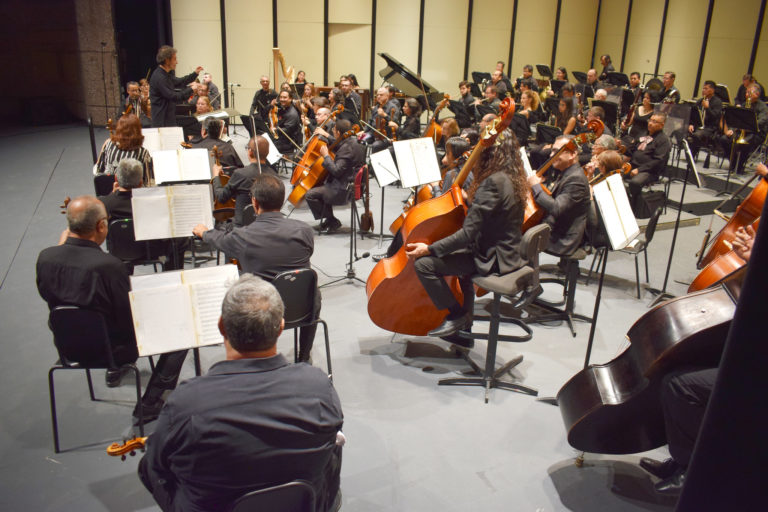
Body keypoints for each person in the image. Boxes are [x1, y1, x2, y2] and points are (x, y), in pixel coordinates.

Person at [138, 274, 343, 512]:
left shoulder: (186, 404)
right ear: (281, 328)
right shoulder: (319, 387)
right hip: (300, 504)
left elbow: (160, 465)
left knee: (147, 467)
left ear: (221, 327)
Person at [36, 196, 188, 420]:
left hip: (68, 347)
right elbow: (128, 315)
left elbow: (47, 293)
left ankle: (115, 372)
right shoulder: (109, 266)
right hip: (113, 350)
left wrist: (60, 249)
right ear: (101, 226)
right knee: (183, 332)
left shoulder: (45, 257)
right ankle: (150, 402)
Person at [406, 128, 528, 341]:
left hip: (491, 258)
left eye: (480, 148)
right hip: (507, 253)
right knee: (458, 259)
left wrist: (429, 249)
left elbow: (467, 235)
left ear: (490, 152)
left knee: (424, 265)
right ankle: (464, 329)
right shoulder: (513, 178)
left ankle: (458, 316)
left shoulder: (492, 182)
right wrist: (472, 201)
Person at [194, 173, 319, 361]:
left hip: (262, 310)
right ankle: (304, 356)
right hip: (301, 308)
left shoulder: (242, 236)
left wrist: (204, 233)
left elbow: (219, 240)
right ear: (281, 200)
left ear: (254, 202)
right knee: (313, 293)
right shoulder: (305, 230)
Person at [98, 158, 187, 271]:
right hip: (150, 251)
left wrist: (112, 194)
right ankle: (172, 274)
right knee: (181, 240)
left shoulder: (104, 203)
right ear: (140, 182)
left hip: (119, 251)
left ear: (116, 179)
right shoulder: (153, 200)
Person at [527, 136, 590, 256]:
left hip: (562, 239)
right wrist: (539, 185)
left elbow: (556, 208)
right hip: (556, 226)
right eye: (552, 151)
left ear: (572, 154)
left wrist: (536, 186)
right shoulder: (567, 172)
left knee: (516, 234)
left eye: (556, 151)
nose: (551, 155)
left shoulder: (576, 178)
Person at [305, 118, 365, 232]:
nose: (333, 131)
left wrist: (326, 156)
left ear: (338, 132)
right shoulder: (353, 142)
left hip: (343, 190)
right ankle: (329, 220)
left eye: (334, 130)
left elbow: (336, 171)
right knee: (321, 186)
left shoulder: (346, 149)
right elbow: (339, 143)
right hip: (350, 183)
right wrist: (327, 135)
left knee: (310, 194)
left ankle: (332, 221)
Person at [209, 135, 276, 227]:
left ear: (250, 152)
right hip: (266, 225)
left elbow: (221, 197)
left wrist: (216, 176)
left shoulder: (240, 174)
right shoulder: (275, 176)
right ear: (267, 153)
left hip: (241, 227)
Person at [625, 112, 672, 211]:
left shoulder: (663, 140)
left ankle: (634, 206)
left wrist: (639, 170)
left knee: (635, 183)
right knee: (613, 174)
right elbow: (632, 149)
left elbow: (657, 161)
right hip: (633, 165)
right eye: (650, 120)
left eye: (654, 122)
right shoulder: (643, 133)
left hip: (649, 171)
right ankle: (624, 200)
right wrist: (623, 149)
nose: (650, 123)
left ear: (662, 125)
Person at [149, 45, 202, 127]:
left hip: (167, 119)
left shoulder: (165, 74)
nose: (177, 62)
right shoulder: (159, 77)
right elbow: (173, 96)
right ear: (167, 60)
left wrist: (195, 74)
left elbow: (180, 81)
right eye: (174, 59)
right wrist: (191, 89)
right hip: (162, 121)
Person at [721, 84, 768, 174]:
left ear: (757, 94)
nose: (747, 95)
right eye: (746, 92)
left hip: (756, 133)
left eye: (749, 93)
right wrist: (731, 129)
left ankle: (738, 167)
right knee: (724, 139)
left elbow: (761, 122)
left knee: (743, 144)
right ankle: (734, 163)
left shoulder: (763, 108)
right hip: (743, 131)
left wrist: (748, 126)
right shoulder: (744, 104)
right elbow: (737, 119)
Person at [95, 113, 154, 184]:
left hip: (109, 187)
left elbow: (98, 171)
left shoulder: (108, 144)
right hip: (133, 189)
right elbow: (148, 181)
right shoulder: (143, 153)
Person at [687, 80, 723, 157]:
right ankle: (689, 153)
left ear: (712, 90)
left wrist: (707, 107)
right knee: (681, 130)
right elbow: (693, 114)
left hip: (709, 128)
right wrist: (691, 124)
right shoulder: (700, 100)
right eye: (703, 88)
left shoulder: (717, 102)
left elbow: (715, 116)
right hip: (698, 126)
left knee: (696, 135)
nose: (703, 90)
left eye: (706, 88)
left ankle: (691, 156)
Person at [272, 90, 302, 155]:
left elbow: (286, 130)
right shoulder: (284, 107)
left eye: (285, 97)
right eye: (281, 97)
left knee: (268, 147)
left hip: (289, 142)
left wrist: (274, 130)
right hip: (282, 138)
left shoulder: (292, 114)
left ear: (290, 99)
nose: (282, 99)